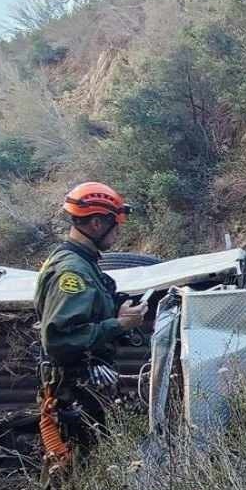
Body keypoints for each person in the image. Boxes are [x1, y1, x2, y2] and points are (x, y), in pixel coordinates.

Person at [34, 181, 146, 472]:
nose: (118, 232)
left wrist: (115, 310)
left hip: (84, 388)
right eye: (115, 225)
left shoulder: (78, 262)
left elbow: (85, 315)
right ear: (97, 223)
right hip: (75, 392)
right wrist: (120, 324)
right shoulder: (71, 272)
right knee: (78, 473)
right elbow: (59, 339)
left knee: (90, 469)